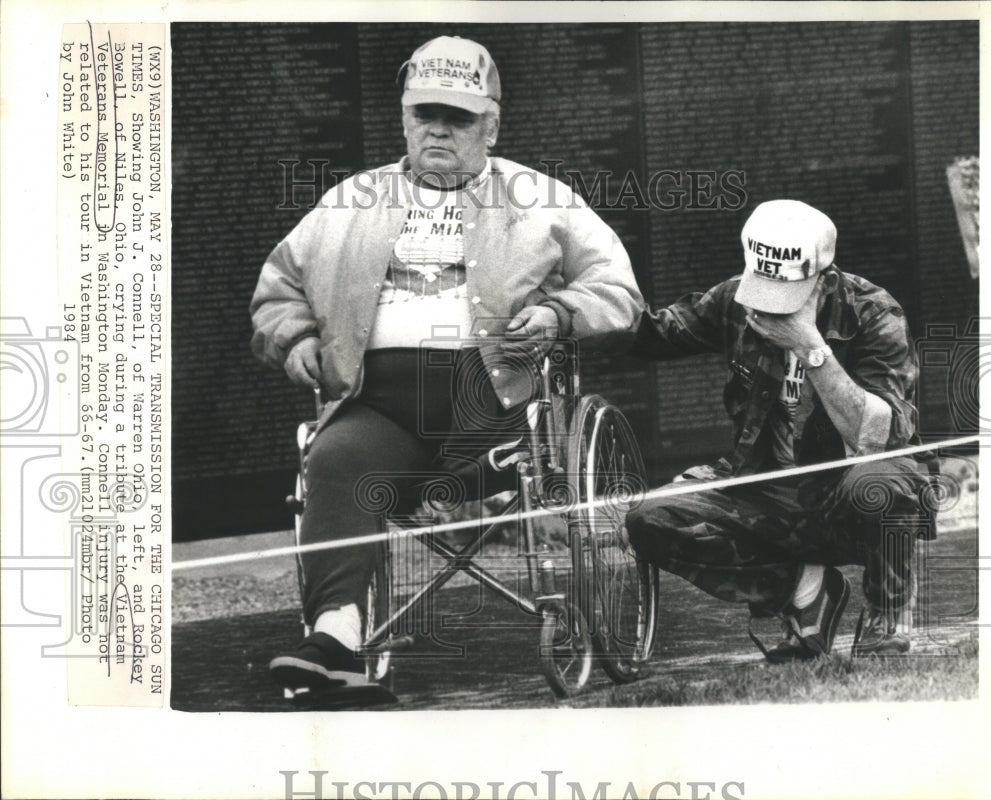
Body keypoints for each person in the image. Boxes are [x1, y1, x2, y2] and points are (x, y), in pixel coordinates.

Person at [250, 35, 642, 692]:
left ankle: (475, 477)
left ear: (491, 123)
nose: (438, 129)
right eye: (424, 113)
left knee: (478, 451)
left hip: (492, 406)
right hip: (377, 405)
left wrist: (558, 315)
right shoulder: (350, 202)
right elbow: (278, 290)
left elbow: (619, 291)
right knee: (334, 456)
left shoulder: (539, 198)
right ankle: (336, 641)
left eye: (458, 117)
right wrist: (295, 342)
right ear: (404, 115)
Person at [625, 199, 933, 662]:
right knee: (649, 519)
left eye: (786, 291)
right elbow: (650, 333)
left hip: (846, 491)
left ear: (824, 280)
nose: (770, 306)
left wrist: (811, 347)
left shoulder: (874, 313)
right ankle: (805, 589)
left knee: (882, 483)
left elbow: (875, 438)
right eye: (763, 285)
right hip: (765, 485)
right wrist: (571, 305)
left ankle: (884, 617)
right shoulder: (734, 298)